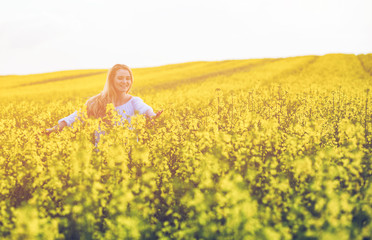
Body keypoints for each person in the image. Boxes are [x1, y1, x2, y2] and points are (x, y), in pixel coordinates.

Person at [45, 64, 163, 145]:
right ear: (112, 80)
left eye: (128, 78)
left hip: (128, 160)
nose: (125, 82)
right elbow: (75, 117)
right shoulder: (96, 102)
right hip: (103, 160)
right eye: (120, 78)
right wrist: (55, 128)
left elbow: (145, 108)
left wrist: (152, 115)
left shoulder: (134, 101)